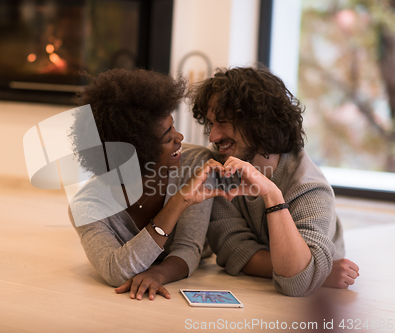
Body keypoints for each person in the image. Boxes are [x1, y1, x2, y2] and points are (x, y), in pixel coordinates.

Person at [191, 67, 360, 297]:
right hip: (255, 291)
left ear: (260, 124)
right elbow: (232, 249)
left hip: (319, 305)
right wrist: (314, 272)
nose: (212, 137)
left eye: (224, 123)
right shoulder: (218, 167)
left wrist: (272, 195)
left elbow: (296, 284)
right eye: (211, 124)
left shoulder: (310, 187)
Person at [68, 68, 228, 301]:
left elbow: (188, 248)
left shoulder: (197, 165)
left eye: (173, 126)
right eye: (167, 137)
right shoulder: (87, 206)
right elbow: (115, 270)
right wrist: (177, 202)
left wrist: (159, 273)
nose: (180, 137)